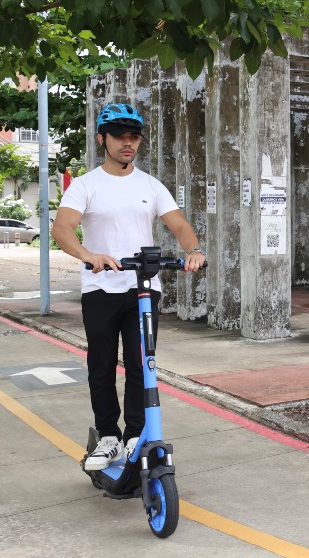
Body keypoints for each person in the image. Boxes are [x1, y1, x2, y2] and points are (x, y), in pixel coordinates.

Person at [51, 103, 206, 471]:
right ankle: (107, 437)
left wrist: (194, 250)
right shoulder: (87, 185)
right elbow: (62, 229)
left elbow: (180, 225)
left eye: (133, 137)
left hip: (143, 289)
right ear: (102, 138)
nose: (127, 143)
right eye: (120, 136)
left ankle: (137, 434)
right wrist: (89, 255)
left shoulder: (150, 186)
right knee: (102, 365)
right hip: (100, 289)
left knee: (142, 366)